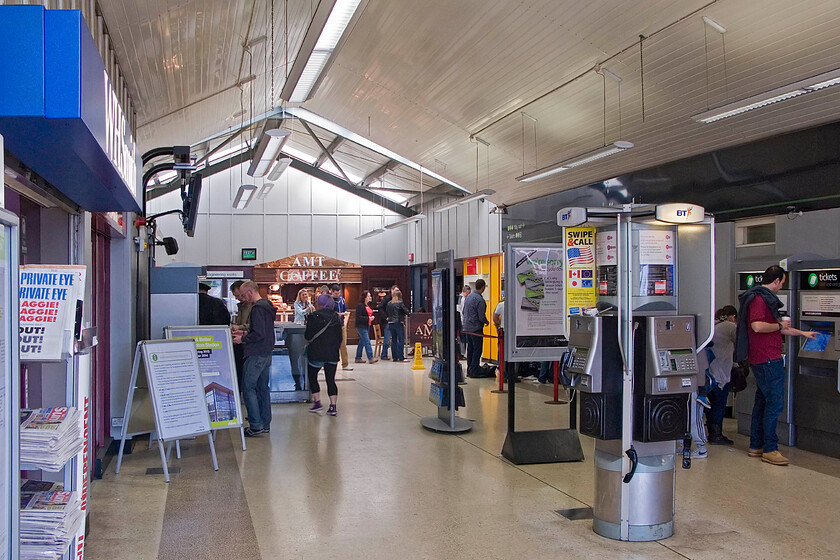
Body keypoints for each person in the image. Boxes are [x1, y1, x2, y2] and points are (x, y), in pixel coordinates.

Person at [736, 265, 816, 466]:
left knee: (762, 402)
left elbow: (776, 329)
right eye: (782, 282)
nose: (782, 285)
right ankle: (770, 448)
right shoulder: (761, 299)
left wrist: (803, 334)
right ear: (778, 280)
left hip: (763, 358)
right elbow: (758, 326)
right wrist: (780, 325)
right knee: (775, 403)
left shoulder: (759, 298)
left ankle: (756, 445)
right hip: (767, 359)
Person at [231, 281, 275, 436]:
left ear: (250, 292)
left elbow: (258, 333)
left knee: (248, 387)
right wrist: (245, 334)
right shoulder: (267, 306)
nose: (242, 298)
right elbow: (262, 331)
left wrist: (242, 339)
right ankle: (264, 423)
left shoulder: (257, 308)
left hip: (255, 354)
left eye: (243, 295)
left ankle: (255, 425)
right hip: (266, 352)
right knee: (263, 388)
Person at [305, 294, 343, 416]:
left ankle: (317, 403)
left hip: (316, 353)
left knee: (312, 377)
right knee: (330, 380)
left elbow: (308, 335)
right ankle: (333, 406)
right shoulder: (336, 317)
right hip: (332, 353)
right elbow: (340, 337)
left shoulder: (313, 316)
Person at [706, 305, 738, 445]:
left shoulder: (710, 324)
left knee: (708, 403)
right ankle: (716, 435)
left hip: (707, 373)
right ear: (733, 317)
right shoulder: (730, 327)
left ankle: (710, 432)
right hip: (721, 373)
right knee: (719, 404)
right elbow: (741, 344)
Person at [461, 278, 488, 376]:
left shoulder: (468, 297)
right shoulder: (480, 300)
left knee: (470, 349)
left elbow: (464, 311)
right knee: (477, 349)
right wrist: (486, 322)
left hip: (467, 328)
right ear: (483, 287)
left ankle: (469, 369)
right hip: (476, 328)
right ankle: (475, 370)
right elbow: (481, 316)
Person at [230, 280, 253, 390]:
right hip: (242, 344)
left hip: (249, 345)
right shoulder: (242, 306)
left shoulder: (255, 307)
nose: (237, 298)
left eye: (238, 295)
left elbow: (255, 326)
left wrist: (239, 328)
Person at [331, 284, 352, 371]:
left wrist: (345, 313)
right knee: (332, 345)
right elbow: (331, 313)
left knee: (343, 345)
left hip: (341, 325)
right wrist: (340, 314)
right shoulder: (330, 301)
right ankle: (330, 362)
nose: (337, 295)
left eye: (338, 293)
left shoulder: (341, 300)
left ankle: (345, 364)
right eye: (335, 293)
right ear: (331, 292)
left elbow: (345, 309)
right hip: (333, 326)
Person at [386, 289, 411, 362]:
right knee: (401, 339)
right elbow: (406, 311)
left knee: (393, 340)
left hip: (391, 323)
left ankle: (395, 357)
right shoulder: (400, 303)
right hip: (398, 322)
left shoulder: (389, 303)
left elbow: (387, 312)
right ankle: (401, 357)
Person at [354, 290, 378, 364]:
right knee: (367, 341)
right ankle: (370, 357)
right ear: (364, 297)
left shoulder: (367, 305)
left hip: (367, 325)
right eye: (368, 296)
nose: (369, 297)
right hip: (361, 326)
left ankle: (358, 357)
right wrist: (368, 318)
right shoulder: (360, 306)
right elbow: (358, 317)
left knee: (362, 342)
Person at [378, 285, 399, 359]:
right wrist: (386, 317)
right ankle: (384, 354)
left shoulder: (398, 299)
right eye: (395, 290)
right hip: (388, 321)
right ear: (392, 290)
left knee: (396, 339)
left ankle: (396, 354)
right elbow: (380, 307)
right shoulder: (387, 299)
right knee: (387, 339)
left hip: (395, 321)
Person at [458, 285, 471, 359]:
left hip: (458, 320)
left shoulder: (458, 298)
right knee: (463, 338)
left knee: (459, 337)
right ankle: (462, 353)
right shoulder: (463, 299)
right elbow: (463, 311)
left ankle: (460, 353)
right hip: (462, 321)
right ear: (466, 292)